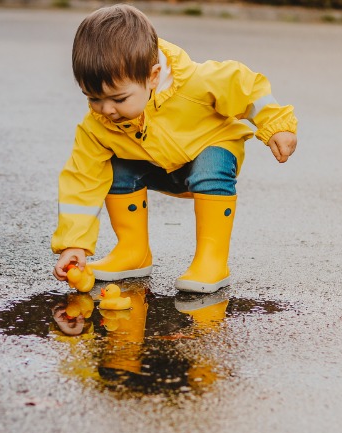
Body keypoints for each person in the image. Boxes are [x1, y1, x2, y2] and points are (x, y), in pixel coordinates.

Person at [51, 4, 298, 294]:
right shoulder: (97, 126)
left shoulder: (196, 81)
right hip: (158, 167)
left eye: (118, 98)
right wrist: (74, 244)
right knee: (109, 165)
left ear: (153, 75)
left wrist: (277, 124)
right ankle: (133, 251)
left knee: (213, 163)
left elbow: (247, 88)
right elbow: (81, 181)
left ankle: (211, 260)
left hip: (207, 157)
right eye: (93, 98)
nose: (107, 110)